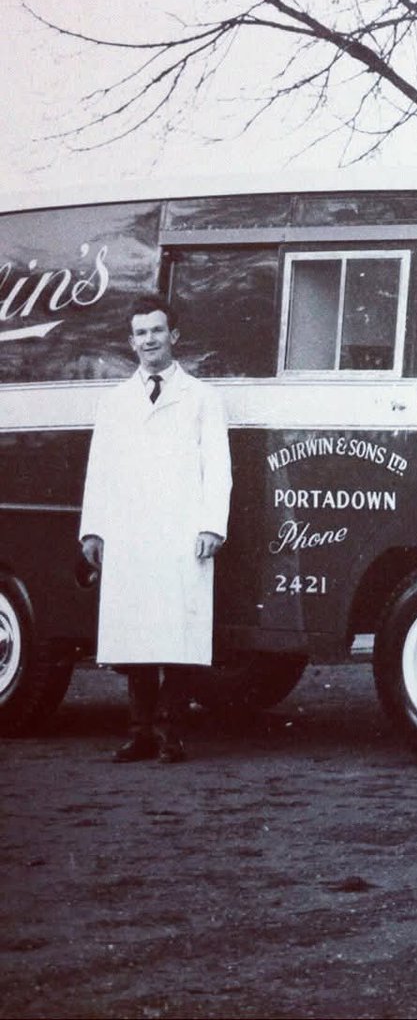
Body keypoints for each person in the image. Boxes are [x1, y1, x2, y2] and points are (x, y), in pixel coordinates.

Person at [80, 294, 231, 764]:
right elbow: (99, 469)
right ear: (131, 342)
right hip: (132, 533)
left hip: (183, 532)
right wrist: (94, 530)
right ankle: (140, 731)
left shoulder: (203, 398)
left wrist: (211, 525)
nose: (149, 339)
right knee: (138, 634)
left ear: (174, 336)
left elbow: (218, 467)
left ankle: (170, 731)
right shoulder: (114, 402)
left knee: (180, 636)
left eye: (157, 330)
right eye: (141, 332)